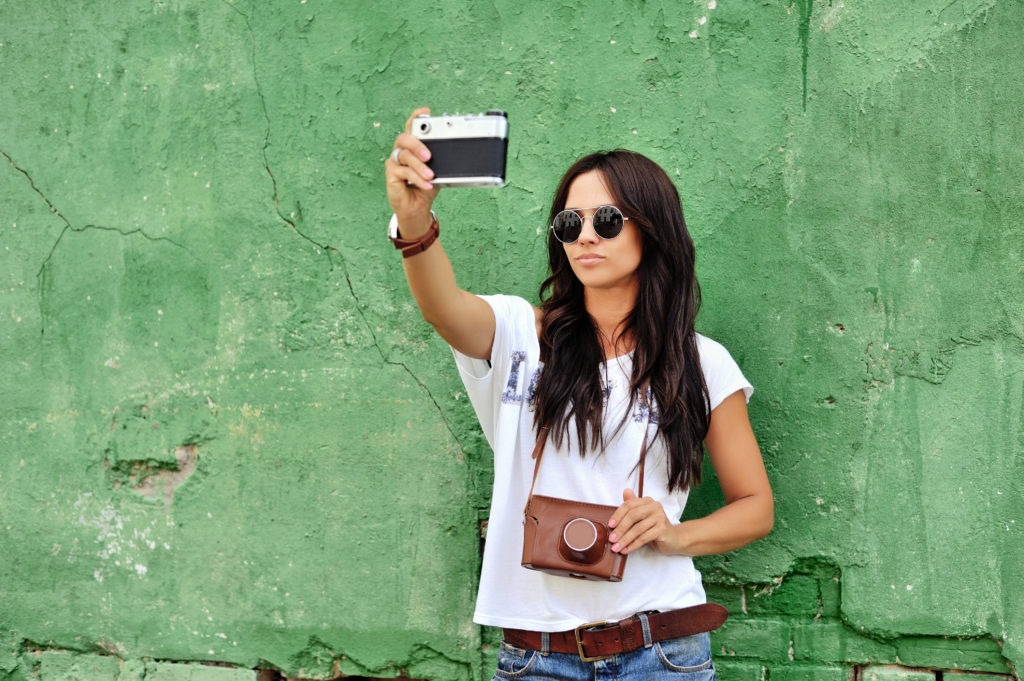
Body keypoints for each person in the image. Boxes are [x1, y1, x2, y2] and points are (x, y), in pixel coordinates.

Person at [385, 107, 773, 681]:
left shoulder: (700, 361)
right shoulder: (522, 335)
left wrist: (671, 533)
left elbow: (755, 507)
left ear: (651, 228)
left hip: (662, 651)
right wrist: (414, 224)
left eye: (608, 219)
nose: (586, 234)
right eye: (570, 223)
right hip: (536, 657)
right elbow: (443, 309)